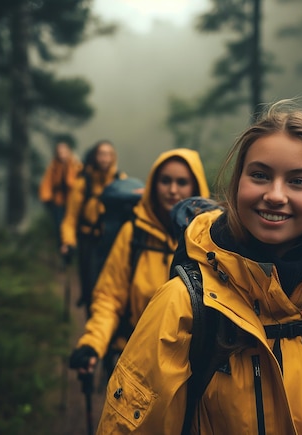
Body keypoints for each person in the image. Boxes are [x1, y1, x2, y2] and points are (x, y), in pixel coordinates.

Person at [94, 101, 302, 434]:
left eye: (298, 181)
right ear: (237, 182)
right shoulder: (184, 304)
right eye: (260, 175)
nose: (275, 194)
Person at [68, 148, 210, 380]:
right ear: (153, 185)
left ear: (195, 188)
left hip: (190, 368)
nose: (173, 190)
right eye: (165, 181)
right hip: (134, 359)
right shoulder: (133, 234)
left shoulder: (207, 239)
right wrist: (92, 344)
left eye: (182, 182)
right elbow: (109, 297)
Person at [61, 140, 126, 308]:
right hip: (88, 242)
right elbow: (71, 217)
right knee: (90, 286)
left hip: (113, 242)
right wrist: (68, 241)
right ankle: (92, 320)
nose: (105, 158)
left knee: (114, 286)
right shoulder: (84, 183)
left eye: (108, 154)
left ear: (113, 157)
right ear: (95, 157)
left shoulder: (121, 181)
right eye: (101, 154)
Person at [38, 139, 81, 247]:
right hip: (59, 201)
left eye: (64, 151)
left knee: (73, 225)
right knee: (59, 225)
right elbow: (46, 183)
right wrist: (46, 198)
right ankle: (63, 247)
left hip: (73, 201)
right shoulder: (53, 166)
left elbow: (79, 183)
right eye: (59, 152)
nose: (61, 154)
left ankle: (73, 246)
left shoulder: (76, 165)